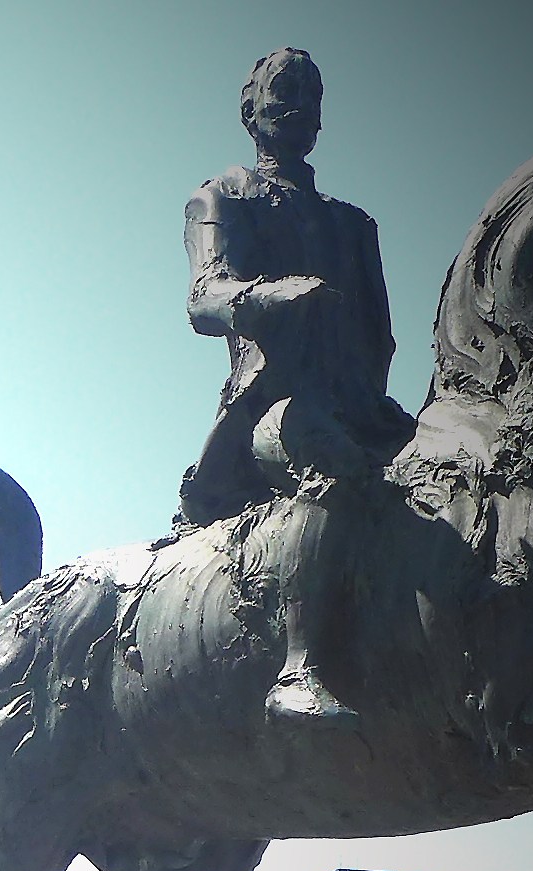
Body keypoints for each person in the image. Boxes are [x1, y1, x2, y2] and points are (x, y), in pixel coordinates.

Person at [175, 47, 414, 725]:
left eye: (312, 94)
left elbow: (380, 335)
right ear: (249, 110)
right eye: (284, 91)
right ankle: (298, 669)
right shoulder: (222, 197)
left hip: (360, 407)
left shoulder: (353, 225)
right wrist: (272, 296)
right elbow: (204, 297)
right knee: (326, 459)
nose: (300, 106)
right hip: (272, 407)